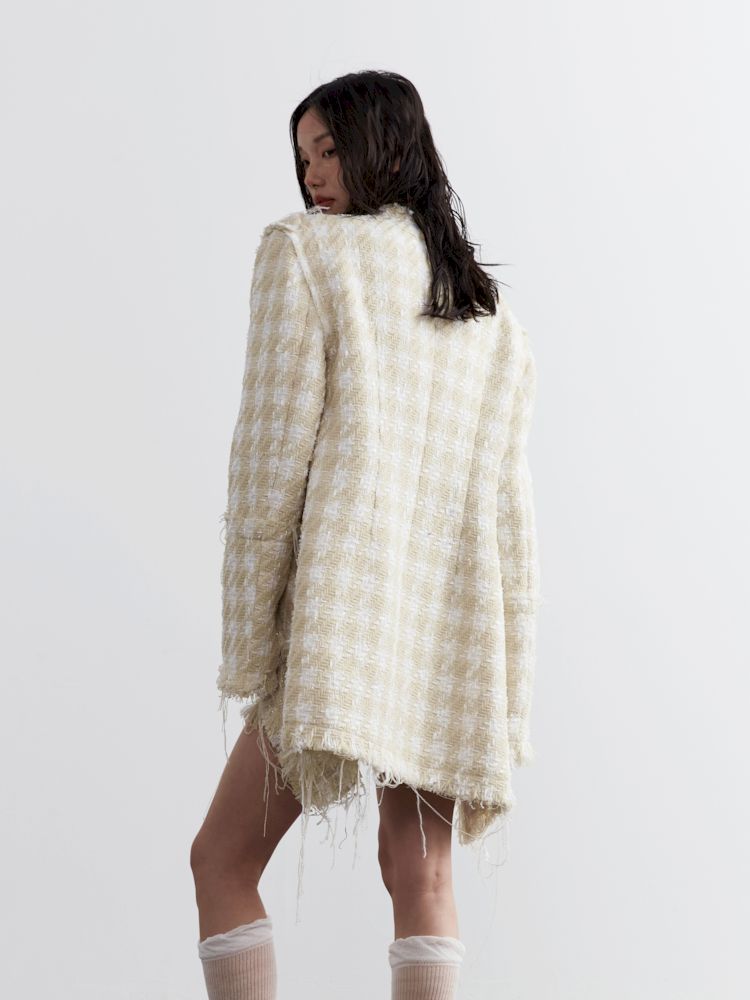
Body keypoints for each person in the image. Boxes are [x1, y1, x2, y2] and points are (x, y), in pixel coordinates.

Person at [190, 69, 542, 1000]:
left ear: (383, 146)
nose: (311, 174)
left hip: (340, 626)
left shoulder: (308, 256)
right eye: (303, 156)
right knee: (423, 880)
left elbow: (269, 465)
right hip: (448, 640)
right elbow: (511, 529)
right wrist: (507, 697)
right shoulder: (492, 317)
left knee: (220, 860)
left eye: (329, 150)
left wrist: (250, 645)